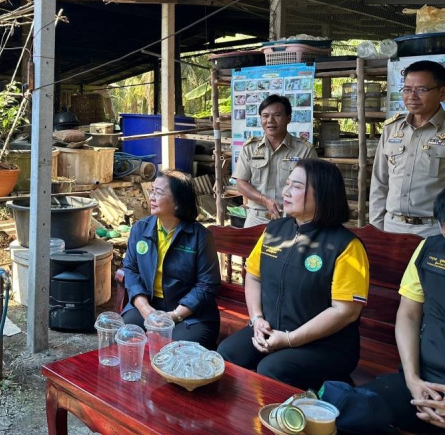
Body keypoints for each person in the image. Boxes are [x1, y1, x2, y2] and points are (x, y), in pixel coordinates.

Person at [218, 159, 370, 391]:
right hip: (271, 330)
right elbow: (254, 276)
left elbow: (345, 311)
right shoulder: (274, 230)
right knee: (227, 354)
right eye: (287, 184)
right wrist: (257, 319)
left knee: (272, 370)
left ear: (323, 194)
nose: (286, 191)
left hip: (324, 345)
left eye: (297, 186)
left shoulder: (346, 246)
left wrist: (290, 339)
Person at [320, 187, 445, 434]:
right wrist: (412, 379)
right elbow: (409, 315)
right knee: (346, 413)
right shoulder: (429, 251)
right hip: (423, 381)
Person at [122, 171, 221, 349]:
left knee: (175, 349)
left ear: (178, 203)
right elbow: (130, 269)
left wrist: (174, 315)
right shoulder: (140, 229)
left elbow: (207, 285)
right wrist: (145, 309)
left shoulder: (200, 237)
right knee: (125, 335)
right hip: (149, 303)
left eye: (159, 193)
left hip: (191, 312)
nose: (151, 197)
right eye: (152, 191)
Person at [370, 60, 445, 238]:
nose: (412, 96)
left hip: (434, 231)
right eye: (407, 89)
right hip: (392, 226)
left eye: (421, 90)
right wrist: (376, 228)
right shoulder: (392, 128)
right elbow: (379, 182)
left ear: (442, 93)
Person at [233, 95, 317, 227]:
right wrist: (265, 200)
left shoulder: (304, 150)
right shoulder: (250, 148)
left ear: (288, 118)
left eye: (277, 115)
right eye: (265, 116)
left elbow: (315, 186)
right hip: (257, 218)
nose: (270, 120)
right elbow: (240, 183)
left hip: (293, 219)